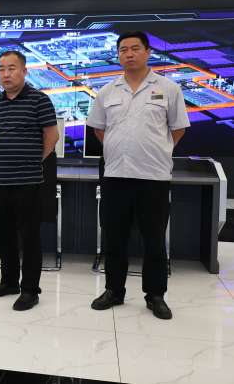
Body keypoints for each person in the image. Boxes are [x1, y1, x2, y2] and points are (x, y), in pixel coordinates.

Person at [87, 31, 189, 320]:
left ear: (147, 52)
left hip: (153, 177)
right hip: (115, 174)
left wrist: (156, 150)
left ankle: (155, 295)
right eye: (123, 49)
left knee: (154, 239)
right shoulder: (107, 91)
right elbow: (99, 129)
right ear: (118, 55)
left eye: (134, 48)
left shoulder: (168, 89)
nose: (129, 54)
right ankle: (113, 290)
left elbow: (178, 129)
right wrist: (120, 148)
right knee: (114, 237)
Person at [0, 50, 59, 311]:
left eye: (12, 68)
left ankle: (30, 290)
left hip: (28, 181)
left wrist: (33, 160)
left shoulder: (39, 100)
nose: (6, 74)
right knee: (5, 235)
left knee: (29, 237)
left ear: (24, 71)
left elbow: (52, 136)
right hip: (0, 180)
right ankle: (8, 282)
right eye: (1, 68)